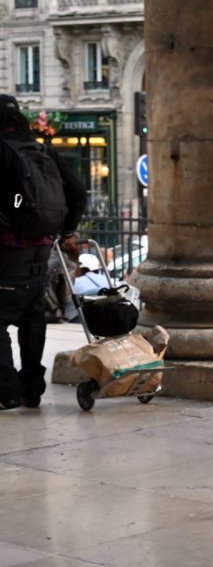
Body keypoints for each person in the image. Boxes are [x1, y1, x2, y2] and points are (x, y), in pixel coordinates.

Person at [0, 94, 87, 409]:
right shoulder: (44, 150)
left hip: (7, 253)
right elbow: (77, 191)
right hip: (41, 252)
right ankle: (32, 388)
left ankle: (7, 390)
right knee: (31, 318)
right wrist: (66, 232)